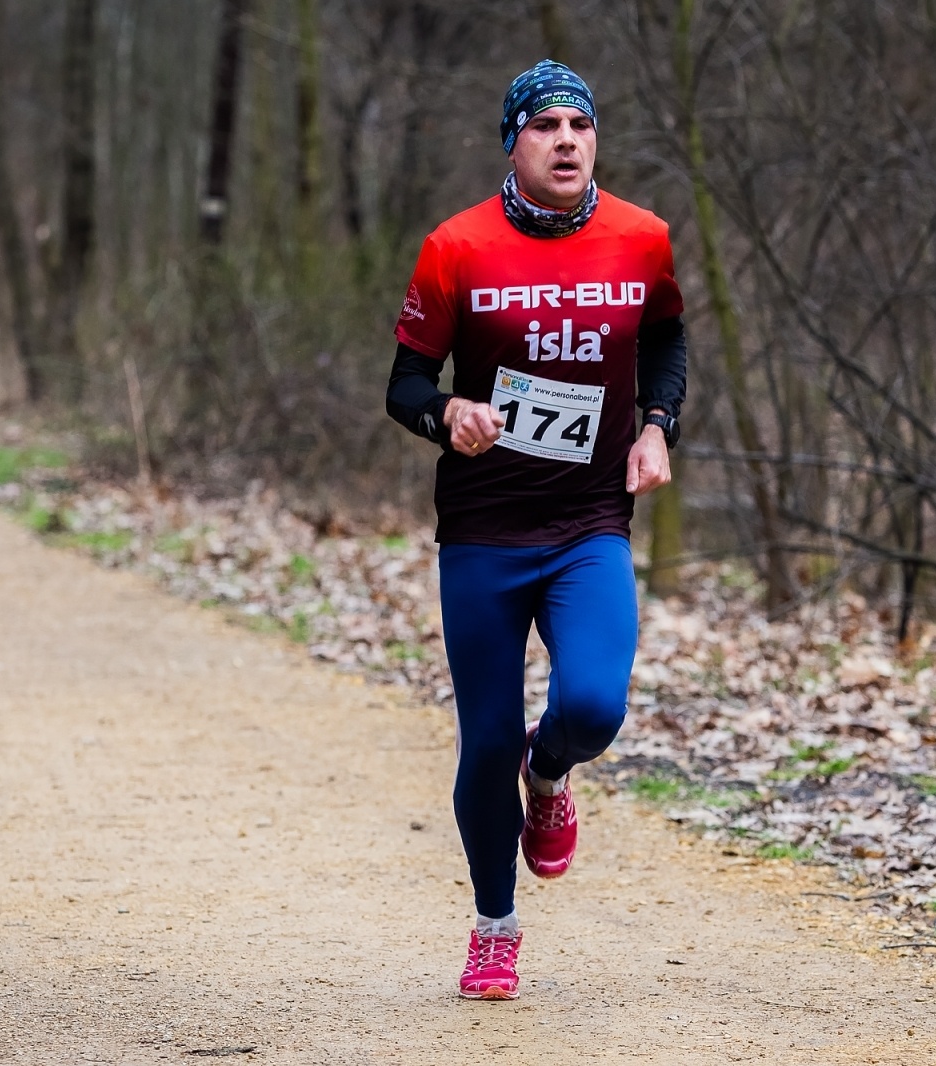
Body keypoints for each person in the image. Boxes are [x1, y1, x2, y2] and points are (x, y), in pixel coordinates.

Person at [385, 59, 687, 1000]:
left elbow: (668, 336)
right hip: (482, 531)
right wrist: (448, 416)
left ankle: (549, 773)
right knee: (482, 742)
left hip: (589, 522)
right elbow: (403, 385)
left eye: (580, 124)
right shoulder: (456, 247)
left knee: (594, 704)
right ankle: (494, 925)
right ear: (512, 143)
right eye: (544, 124)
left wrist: (655, 425)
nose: (566, 139)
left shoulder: (641, 238)